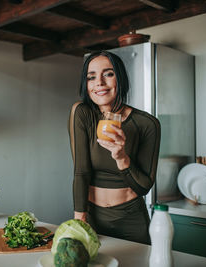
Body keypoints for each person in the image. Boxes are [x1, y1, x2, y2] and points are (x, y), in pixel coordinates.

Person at [68, 51, 161, 244]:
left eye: (108, 74)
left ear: (120, 78)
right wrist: (80, 220)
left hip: (131, 220)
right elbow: (81, 172)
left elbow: (144, 187)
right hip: (92, 216)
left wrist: (121, 158)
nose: (99, 83)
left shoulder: (147, 124)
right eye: (91, 77)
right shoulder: (83, 114)